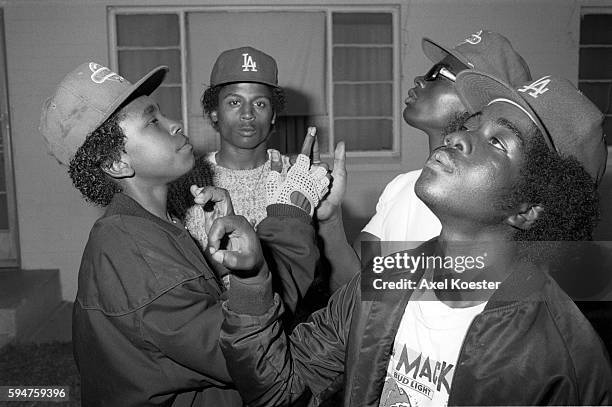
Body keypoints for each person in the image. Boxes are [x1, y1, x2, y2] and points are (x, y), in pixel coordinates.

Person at [217, 72, 612, 406]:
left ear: (528, 209)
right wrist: (252, 280)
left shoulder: (563, 358)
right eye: (471, 125)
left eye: (497, 142)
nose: (459, 137)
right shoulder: (390, 279)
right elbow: (280, 388)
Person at [39, 61, 329, 406]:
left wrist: (218, 261)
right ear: (117, 163)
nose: (175, 125)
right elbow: (249, 356)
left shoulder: (149, 227)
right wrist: (293, 208)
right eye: (153, 122)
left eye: (162, 115)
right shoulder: (133, 250)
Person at [319, 30, 532, 290]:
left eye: (439, 75)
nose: (420, 79)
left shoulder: (490, 209)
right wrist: (329, 221)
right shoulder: (403, 186)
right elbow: (356, 288)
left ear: (481, 101)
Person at [168, 46, 291, 228]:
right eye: (234, 102)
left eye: (260, 103)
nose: (247, 113)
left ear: (273, 115)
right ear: (214, 112)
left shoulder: (296, 176)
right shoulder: (185, 184)